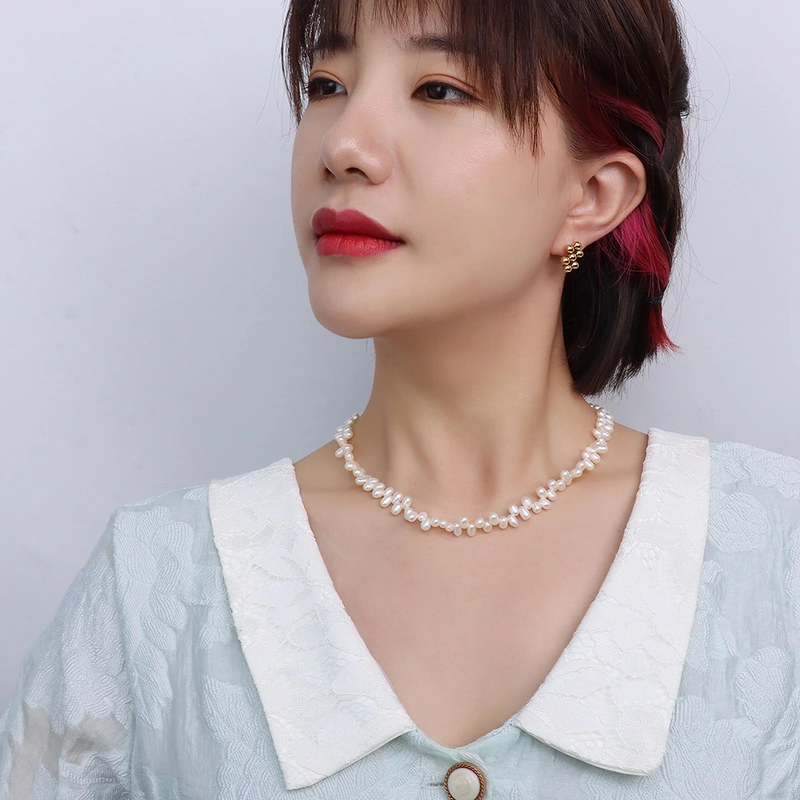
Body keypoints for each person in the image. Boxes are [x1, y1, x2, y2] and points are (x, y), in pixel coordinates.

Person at [2, 0, 799, 797]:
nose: (342, 146)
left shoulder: (772, 559)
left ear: (592, 194)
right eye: (326, 83)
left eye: (439, 90)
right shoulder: (156, 589)